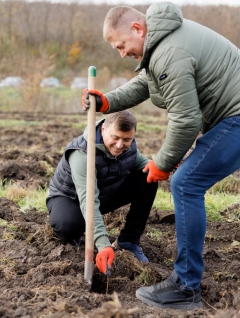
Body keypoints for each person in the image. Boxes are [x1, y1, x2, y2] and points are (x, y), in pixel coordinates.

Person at [82, 2, 240, 311]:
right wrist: (107, 102)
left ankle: (185, 285)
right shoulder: (165, 42)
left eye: (121, 45)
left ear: (138, 30)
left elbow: (186, 121)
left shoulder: (169, 52)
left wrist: (163, 164)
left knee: (185, 183)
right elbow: (147, 83)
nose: (122, 53)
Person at [46, 110, 158, 276]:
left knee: (149, 177)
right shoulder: (82, 154)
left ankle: (128, 242)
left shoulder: (128, 147)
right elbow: (88, 200)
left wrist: (165, 164)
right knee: (67, 226)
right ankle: (75, 234)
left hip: (104, 193)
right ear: (103, 130)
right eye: (115, 138)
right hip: (71, 198)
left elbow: (143, 164)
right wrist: (103, 244)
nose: (120, 145)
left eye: (127, 139)